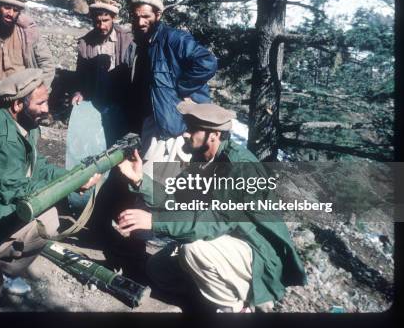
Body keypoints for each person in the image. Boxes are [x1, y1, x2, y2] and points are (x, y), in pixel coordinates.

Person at [115, 101, 307, 312]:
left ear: (214, 135)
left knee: (194, 250)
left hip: (256, 253)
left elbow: (215, 220)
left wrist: (154, 221)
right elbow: (176, 200)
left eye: (192, 129)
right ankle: (213, 293)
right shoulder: (203, 160)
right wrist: (140, 181)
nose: (185, 134)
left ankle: (238, 308)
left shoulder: (239, 168)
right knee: (158, 269)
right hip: (226, 243)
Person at [0, 68, 100, 300]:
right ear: (17, 105)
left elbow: (39, 166)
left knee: (49, 218)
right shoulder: (0, 137)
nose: (46, 108)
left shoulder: (24, 123)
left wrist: (75, 176)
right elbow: (16, 192)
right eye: (41, 103)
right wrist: (72, 186)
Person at [126, 0, 218, 176]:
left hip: (174, 127)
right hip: (157, 123)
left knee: (154, 183)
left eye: (145, 16)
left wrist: (181, 89)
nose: (140, 22)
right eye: (136, 17)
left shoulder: (174, 39)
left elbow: (208, 62)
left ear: (158, 14)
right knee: (147, 179)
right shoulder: (145, 43)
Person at [71, 0, 134, 106]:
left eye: (105, 21)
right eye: (97, 22)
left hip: (122, 98)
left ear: (113, 18)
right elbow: (81, 74)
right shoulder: (85, 43)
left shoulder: (127, 40)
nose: (101, 26)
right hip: (95, 96)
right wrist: (79, 92)